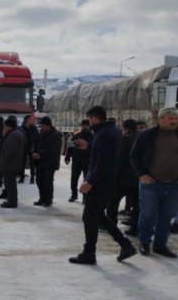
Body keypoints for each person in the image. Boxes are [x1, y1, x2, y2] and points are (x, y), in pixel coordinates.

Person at [69, 106, 137, 265]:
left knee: (89, 217)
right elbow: (104, 155)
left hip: (101, 184)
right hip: (104, 182)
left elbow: (104, 163)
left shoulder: (104, 134)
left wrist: (90, 181)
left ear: (94, 119)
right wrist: (89, 147)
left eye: (90, 120)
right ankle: (125, 245)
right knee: (98, 216)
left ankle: (89, 253)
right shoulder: (110, 131)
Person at [129, 106, 178, 258]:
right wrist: (141, 174)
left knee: (166, 216)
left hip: (173, 184)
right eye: (171, 118)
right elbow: (133, 155)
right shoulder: (147, 135)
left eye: (176, 119)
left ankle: (160, 245)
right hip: (151, 184)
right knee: (148, 214)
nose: (174, 121)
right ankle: (144, 242)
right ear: (161, 119)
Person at [106, 119, 139, 235]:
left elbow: (120, 159)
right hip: (139, 177)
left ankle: (111, 225)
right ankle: (135, 228)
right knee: (137, 205)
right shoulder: (141, 137)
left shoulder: (126, 139)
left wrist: (114, 175)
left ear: (125, 127)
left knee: (113, 202)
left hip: (124, 178)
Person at [32, 116, 62, 206]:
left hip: (50, 163)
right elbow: (36, 145)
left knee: (47, 182)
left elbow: (52, 149)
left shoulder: (56, 135)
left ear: (48, 126)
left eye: (43, 126)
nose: (41, 128)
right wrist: (34, 152)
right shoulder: (41, 135)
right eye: (41, 126)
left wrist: (40, 154)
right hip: (40, 162)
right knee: (39, 181)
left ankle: (48, 200)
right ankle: (42, 198)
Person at [0, 117, 26, 209]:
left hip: (11, 164)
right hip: (12, 164)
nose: (4, 128)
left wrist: (3, 161)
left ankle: (12, 202)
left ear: (8, 126)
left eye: (5, 126)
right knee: (10, 183)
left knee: (10, 184)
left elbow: (11, 151)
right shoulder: (14, 133)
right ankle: (11, 200)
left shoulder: (14, 135)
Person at [65, 120, 93, 202]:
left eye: (86, 125)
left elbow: (95, 148)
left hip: (87, 161)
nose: (84, 127)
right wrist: (67, 157)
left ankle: (85, 197)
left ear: (89, 126)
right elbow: (70, 147)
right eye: (83, 125)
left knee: (86, 180)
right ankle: (74, 195)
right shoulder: (76, 136)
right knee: (74, 179)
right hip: (76, 160)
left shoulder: (92, 137)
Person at [20, 114, 38, 184]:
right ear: (27, 120)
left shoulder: (34, 128)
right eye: (32, 119)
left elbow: (37, 138)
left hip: (32, 148)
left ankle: (32, 178)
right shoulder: (21, 128)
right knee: (22, 163)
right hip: (23, 148)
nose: (34, 120)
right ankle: (21, 177)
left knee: (32, 164)